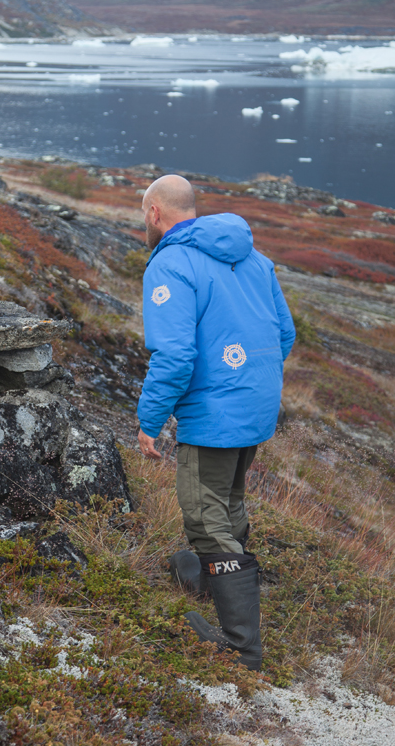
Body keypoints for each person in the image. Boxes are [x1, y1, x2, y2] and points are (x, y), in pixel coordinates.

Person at [136, 174, 295, 670]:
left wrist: (150, 418)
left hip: (215, 409)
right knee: (227, 499)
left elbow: (176, 355)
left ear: (154, 214)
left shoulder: (170, 264)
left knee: (204, 517)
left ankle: (241, 645)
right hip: (257, 399)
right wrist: (251, 380)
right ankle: (209, 579)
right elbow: (285, 333)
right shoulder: (254, 257)